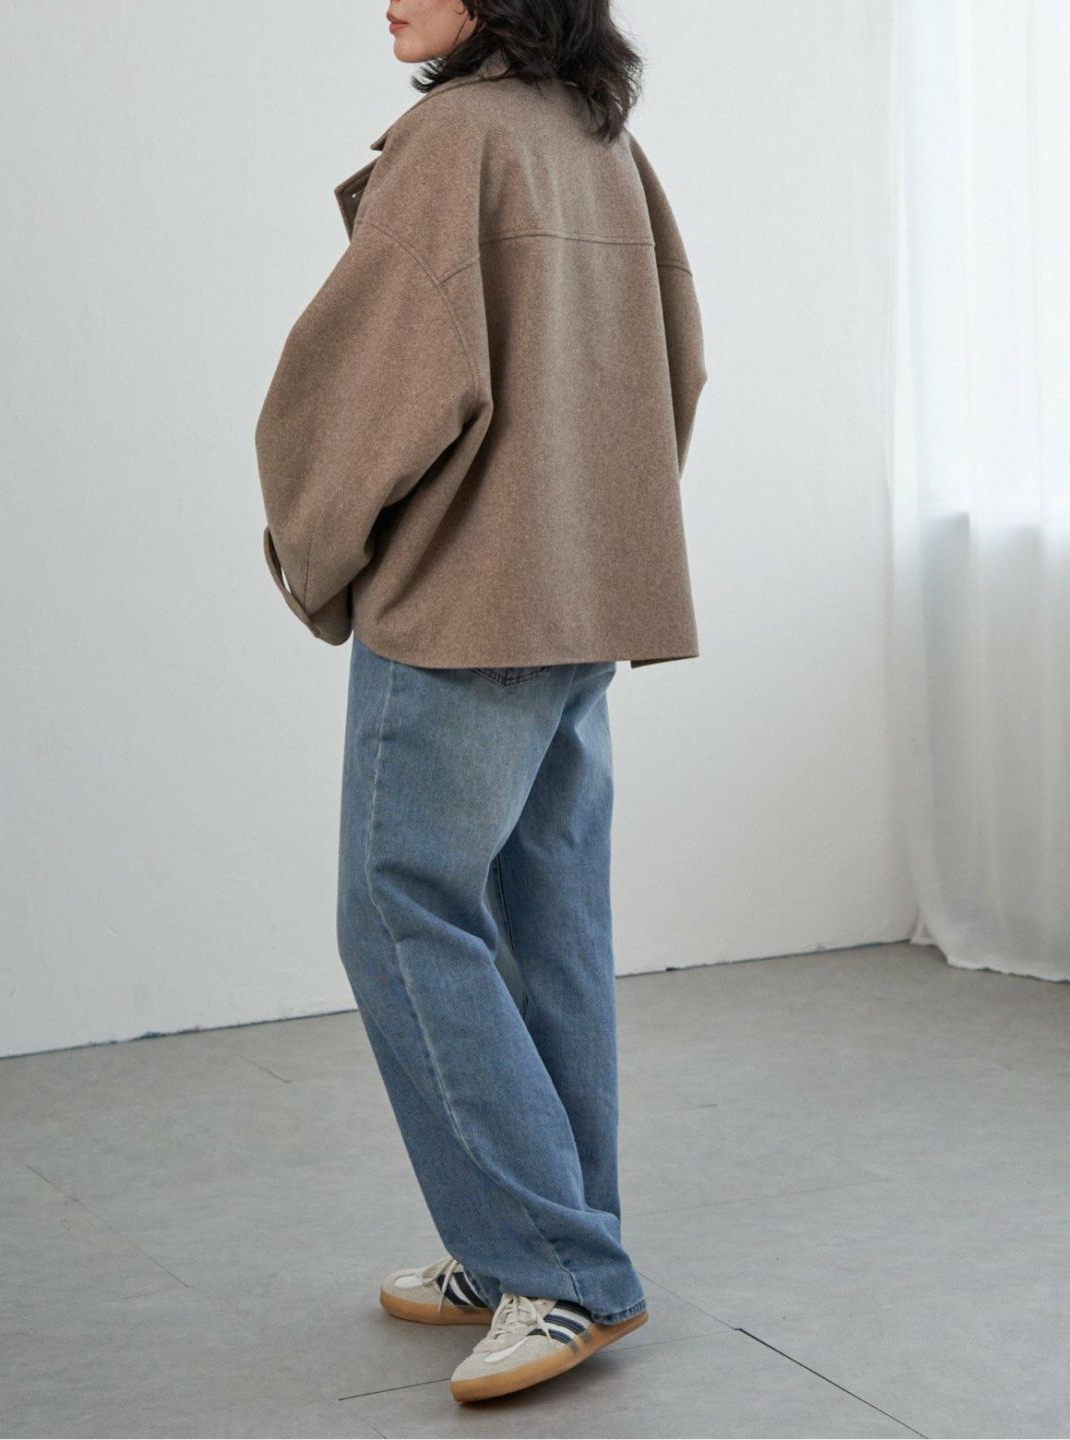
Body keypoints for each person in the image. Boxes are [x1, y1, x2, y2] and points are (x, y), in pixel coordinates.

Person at [254, 0, 707, 1405]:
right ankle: (536, 1238)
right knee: (545, 922)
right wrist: (597, 522)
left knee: (402, 912)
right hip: (580, 588)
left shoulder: (456, 140)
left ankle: (557, 1266)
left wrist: (316, 553)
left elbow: (363, 394)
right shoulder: (596, 132)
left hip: (465, 604)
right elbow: (678, 360)